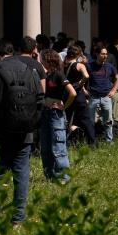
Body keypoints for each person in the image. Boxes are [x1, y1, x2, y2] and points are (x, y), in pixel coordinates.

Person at [0, 39, 44, 224]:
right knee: (21, 175)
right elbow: (40, 99)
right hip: (24, 133)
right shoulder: (30, 71)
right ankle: (18, 219)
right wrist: (31, 123)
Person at [39, 49, 76, 182]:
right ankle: (50, 175)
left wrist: (63, 106)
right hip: (45, 113)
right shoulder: (45, 75)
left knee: (58, 146)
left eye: (41, 58)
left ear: (48, 60)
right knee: (46, 146)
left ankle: (64, 177)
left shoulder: (58, 75)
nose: (40, 61)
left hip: (56, 114)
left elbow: (72, 93)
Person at [87, 46, 118, 144]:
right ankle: (91, 142)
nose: (105, 56)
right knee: (91, 122)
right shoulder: (89, 66)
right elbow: (83, 78)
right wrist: (85, 90)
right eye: (103, 54)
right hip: (93, 97)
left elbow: (117, 78)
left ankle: (109, 142)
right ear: (97, 54)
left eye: (106, 54)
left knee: (108, 121)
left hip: (106, 97)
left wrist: (113, 90)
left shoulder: (110, 66)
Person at [64, 45, 95, 146]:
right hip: (78, 96)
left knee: (67, 119)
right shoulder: (79, 65)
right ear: (78, 54)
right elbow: (86, 76)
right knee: (86, 120)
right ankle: (92, 143)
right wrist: (81, 83)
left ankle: (65, 142)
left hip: (67, 95)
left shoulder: (63, 65)